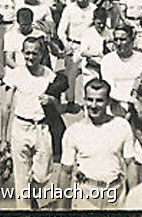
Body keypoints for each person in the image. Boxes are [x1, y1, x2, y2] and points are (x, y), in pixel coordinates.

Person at [58, 79, 136, 209]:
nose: (93, 105)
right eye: (90, 99)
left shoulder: (121, 126)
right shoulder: (73, 131)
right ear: (84, 100)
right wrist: (61, 208)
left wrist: (135, 202)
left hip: (115, 195)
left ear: (108, 102)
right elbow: (65, 172)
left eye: (99, 100)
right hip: (86, 196)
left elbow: (130, 165)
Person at [0, 37, 55, 209]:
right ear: (22, 53)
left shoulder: (49, 75)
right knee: (21, 177)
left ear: (42, 54)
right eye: (27, 53)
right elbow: (6, 107)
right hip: (21, 127)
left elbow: (57, 106)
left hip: (42, 128)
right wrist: (3, 139)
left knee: (43, 175)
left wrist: (51, 99)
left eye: (34, 53)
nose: (30, 57)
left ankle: (32, 194)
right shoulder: (15, 75)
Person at [57, 0, 96, 113]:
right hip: (73, 45)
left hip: (89, 47)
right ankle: (70, 102)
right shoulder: (69, 9)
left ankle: (89, 103)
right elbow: (61, 31)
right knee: (70, 76)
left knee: (90, 75)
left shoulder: (94, 9)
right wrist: (66, 45)